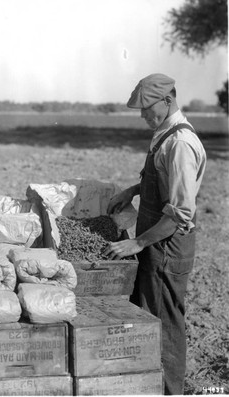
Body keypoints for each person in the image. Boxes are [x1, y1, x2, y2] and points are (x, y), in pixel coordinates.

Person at [104, 73, 206, 395]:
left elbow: (179, 213)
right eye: (141, 111)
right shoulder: (164, 133)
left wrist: (136, 242)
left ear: (168, 100)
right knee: (149, 317)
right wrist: (132, 190)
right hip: (155, 242)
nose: (144, 116)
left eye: (148, 109)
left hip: (167, 247)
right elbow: (160, 182)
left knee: (163, 327)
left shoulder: (180, 144)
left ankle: (169, 391)